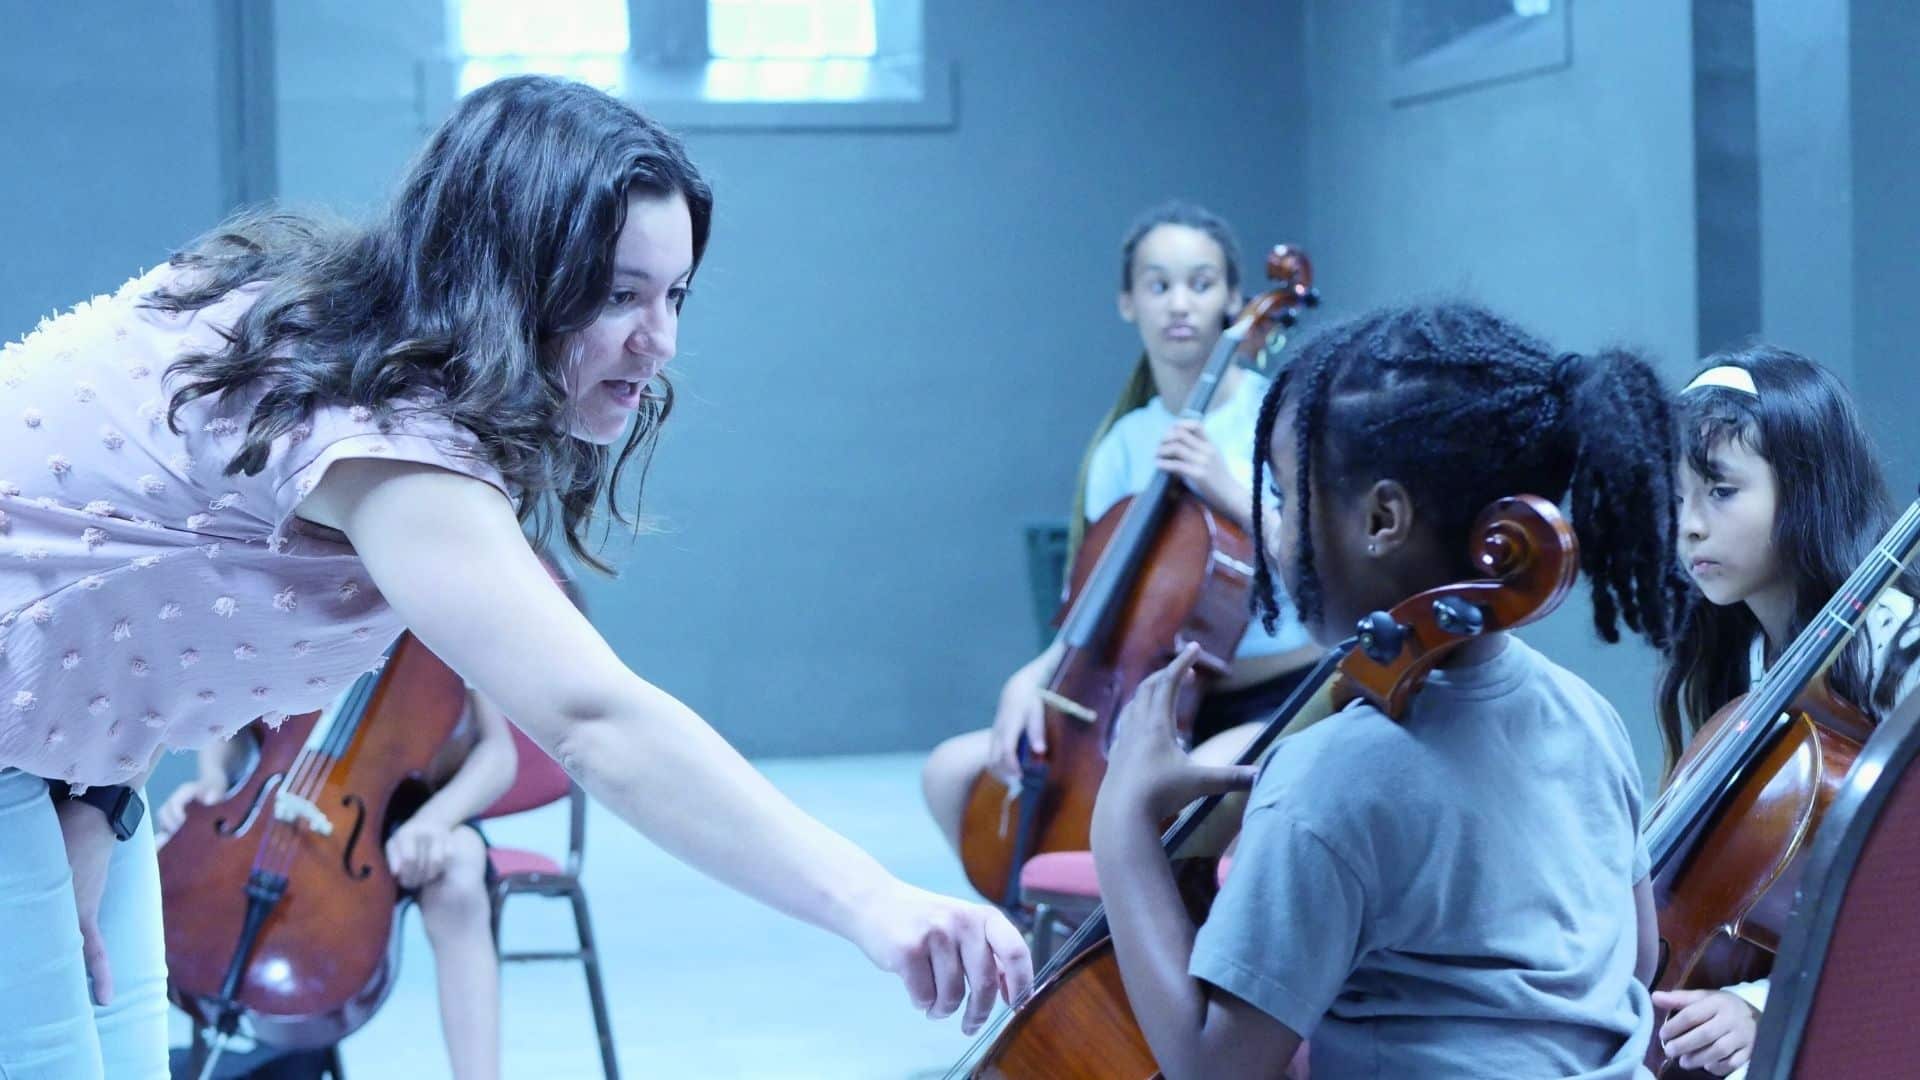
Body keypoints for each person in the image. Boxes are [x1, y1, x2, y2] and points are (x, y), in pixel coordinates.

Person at [0, 75, 1028, 1079]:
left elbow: (112, 566)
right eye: (619, 295)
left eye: (674, 295)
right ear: (508, 276)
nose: (658, 342)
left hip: (53, 754)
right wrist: (874, 903)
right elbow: (598, 722)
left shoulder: (333, 328)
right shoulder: (385, 439)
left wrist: (91, 794)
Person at [1092, 303, 1681, 1078]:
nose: (1276, 529)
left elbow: (1214, 1067)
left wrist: (1121, 829)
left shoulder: (1330, 777)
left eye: (1285, 497)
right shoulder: (1588, 716)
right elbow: (1634, 958)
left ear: (1381, 518)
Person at [921, 201, 1319, 867]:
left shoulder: (1278, 417)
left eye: (1201, 282)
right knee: (952, 773)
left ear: (1234, 300)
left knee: (1180, 798)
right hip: (1158, 703)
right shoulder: (1125, 446)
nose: (1179, 304)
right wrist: (1033, 679)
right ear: (1128, 302)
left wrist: (1228, 490)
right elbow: (1106, 605)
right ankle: (1046, 948)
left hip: (1279, 691)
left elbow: (1325, 572)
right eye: (1158, 285)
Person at [1649, 347, 1920, 1078]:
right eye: (1676, 498)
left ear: (1805, 490)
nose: (1690, 526)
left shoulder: (1897, 645)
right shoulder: (1741, 655)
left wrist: (1763, 1006)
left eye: (1720, 492)